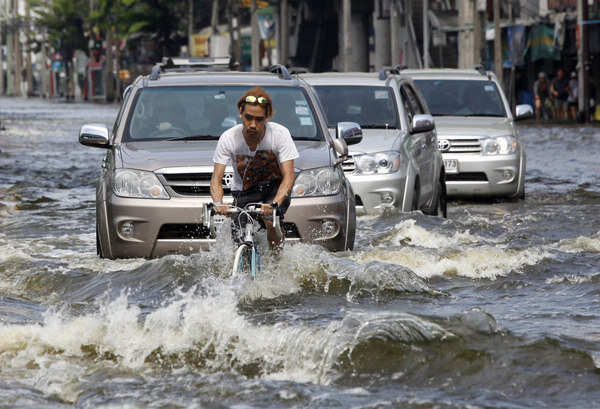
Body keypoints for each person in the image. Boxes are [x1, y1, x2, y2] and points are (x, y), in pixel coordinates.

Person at [210, 87, 299, 249]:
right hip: (245, 190)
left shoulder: (280, 134)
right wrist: (218, 203)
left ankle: (276, 258)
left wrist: (274, 204)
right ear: (240, 113)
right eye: (248, 118)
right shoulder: (229, 138)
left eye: (259, 119)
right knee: (239, 237)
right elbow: (216, 178)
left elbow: (289, 177)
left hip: (274, 187)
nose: (253, 125)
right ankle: (239, 260)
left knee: (270, 221)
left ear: (267, 117)